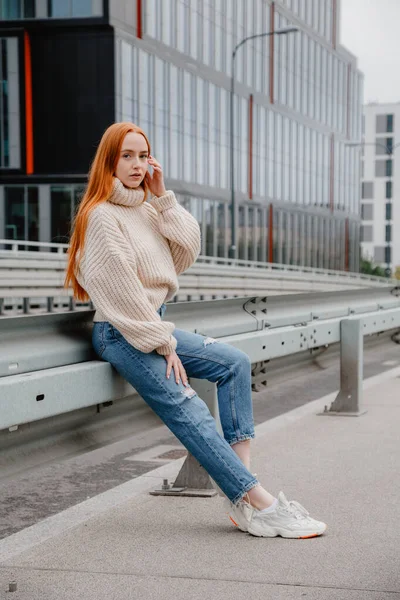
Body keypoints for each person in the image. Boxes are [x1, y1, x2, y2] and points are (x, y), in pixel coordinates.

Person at [64, 122, 326, 539]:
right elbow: (122, 294)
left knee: (235, 364)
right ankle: (263, 505)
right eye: (126, 156)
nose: (137, 164)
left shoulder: (146, 208)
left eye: (143, 155)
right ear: (109, 160)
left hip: (152, 325)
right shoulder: (100, 217)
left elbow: (185, 252)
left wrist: (163, 195)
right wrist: (164, 344)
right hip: (123, 331)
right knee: (190, 409)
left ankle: (243, 496)